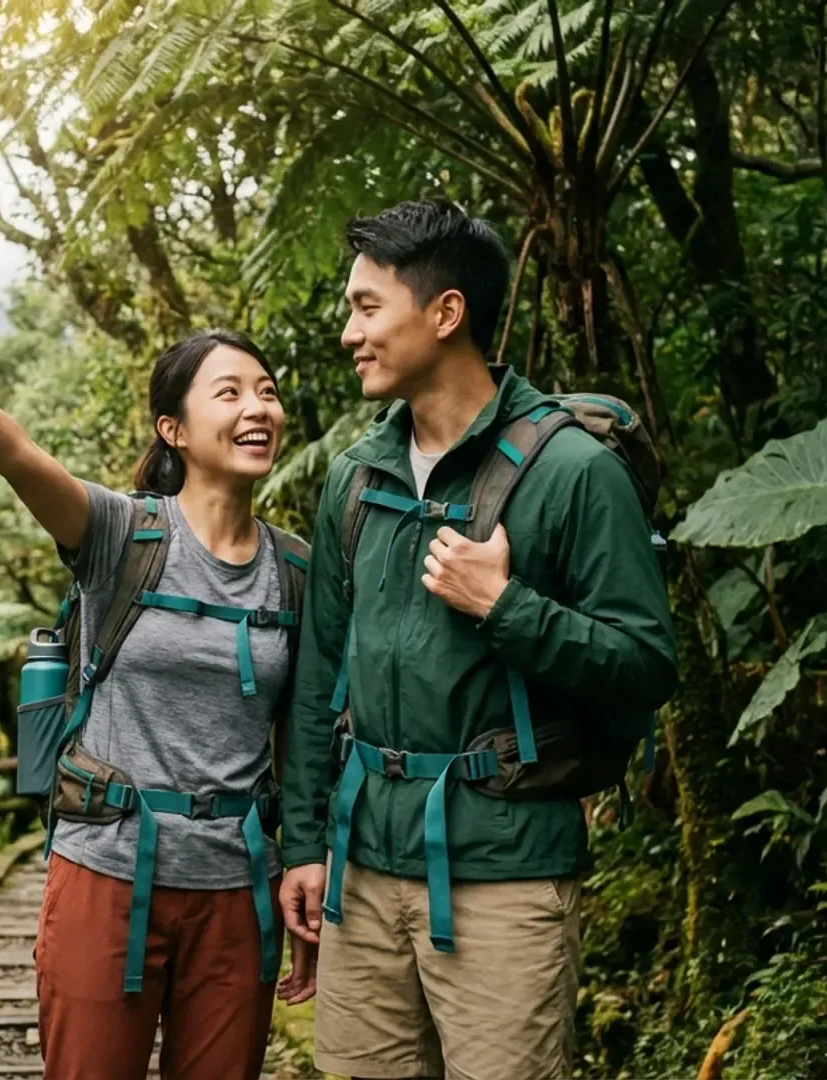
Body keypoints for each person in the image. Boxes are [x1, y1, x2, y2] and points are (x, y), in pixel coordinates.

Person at [0, 307, 317, 1080]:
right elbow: (18, 455)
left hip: (238, 886)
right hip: (108, 869)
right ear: (174, 429)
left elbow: (306, 732)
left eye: (265, 392)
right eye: (228, 394)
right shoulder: (118, 536)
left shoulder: (295, 571)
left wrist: (307, 856)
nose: (257, 409)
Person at [276, 201, 678, 1080]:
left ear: (446, 313)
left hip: (504, 873)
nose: (350, 332)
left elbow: (647, 663)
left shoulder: (572, 472)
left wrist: (505, 607)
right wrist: (303, 845)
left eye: (367, 307)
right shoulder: (357, 478)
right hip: (361, 873)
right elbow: (318, 681)